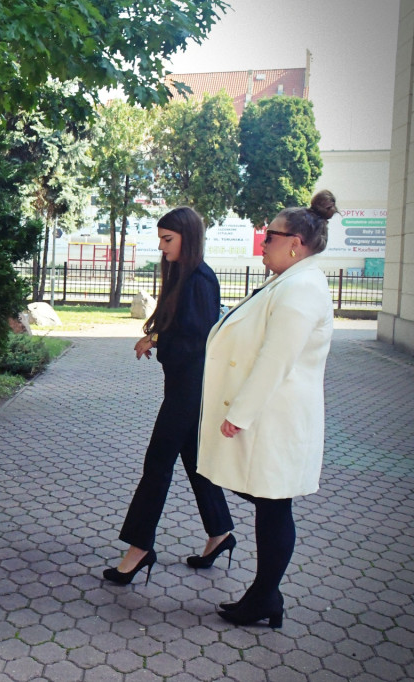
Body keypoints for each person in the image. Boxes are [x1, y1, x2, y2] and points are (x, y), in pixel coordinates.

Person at [197, 190, 338, 629]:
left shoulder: (302, 287)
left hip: (273, 419)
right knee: (268, 501)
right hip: (269, 418)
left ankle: (265, 596)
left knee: (274, 504)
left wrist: (239, 414)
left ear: (295, 242)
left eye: (269, 236)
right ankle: (265, 595)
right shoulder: (290, 280)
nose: (262, 242)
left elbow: (276, 359)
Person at [103, 206, 235, 586]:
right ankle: (220, 533)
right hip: (181, 385)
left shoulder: (201, 279)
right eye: (161, 239)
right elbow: (180, 326)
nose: (162, 247)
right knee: (194, 463)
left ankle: (139, 548)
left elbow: (198, 340)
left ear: (187, 238)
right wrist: (157, 336)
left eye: (168, 239)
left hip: (190, 390)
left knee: (157, 465)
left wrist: (158, 339)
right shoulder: (184, 274)